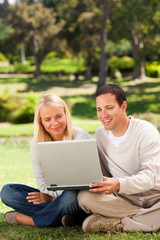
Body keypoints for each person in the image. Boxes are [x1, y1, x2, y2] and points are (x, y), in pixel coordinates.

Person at [78, 83, 160, 233]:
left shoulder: (145, 131)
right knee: (85, 197)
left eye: (109, 108)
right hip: (124, 199)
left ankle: (119, 223)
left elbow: (149, 178)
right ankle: (146, 218)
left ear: (123, 106)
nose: (103, 115)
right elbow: (102, 175)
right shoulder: (100, 135)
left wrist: (118, 184)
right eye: (99, 109)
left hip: (155, 195)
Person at [1, 94, 90, 227]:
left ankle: (30, 220)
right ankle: (66, 217)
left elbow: (86, 182)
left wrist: (52, 199)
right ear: (41, 121)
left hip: (77, 196)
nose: (54, 123)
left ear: (66, 114)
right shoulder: (36, 143)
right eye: (47, 119)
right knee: (8, 192)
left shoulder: (81, 137)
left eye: (58, 116)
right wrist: (51, 197)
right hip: (51, 195)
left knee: (70, 197)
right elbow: (42, 184)